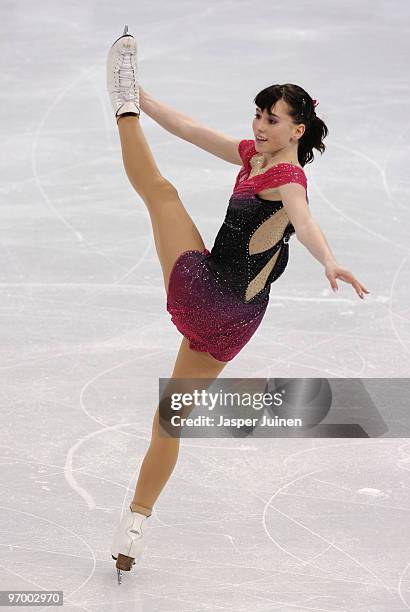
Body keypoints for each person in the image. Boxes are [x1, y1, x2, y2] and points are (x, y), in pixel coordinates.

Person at [106, 25, 370, 583]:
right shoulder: (253, 156)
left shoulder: (285, 176)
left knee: (162, 194)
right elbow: (191, 130)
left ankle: (121, 109)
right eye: (257, 114)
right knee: (170, 421)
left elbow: (303, 216)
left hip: (208, 292)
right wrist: (153, 99)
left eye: (271, 119)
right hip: (237, 320)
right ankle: (135, 523)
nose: (258, 125)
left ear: (297, 128)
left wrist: (328, 258)